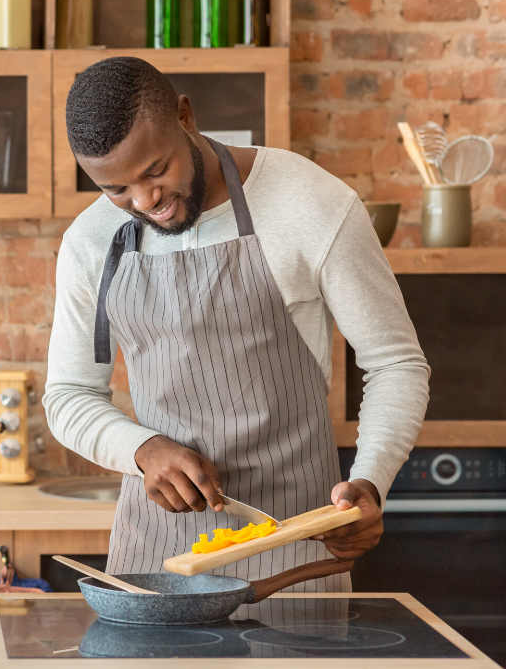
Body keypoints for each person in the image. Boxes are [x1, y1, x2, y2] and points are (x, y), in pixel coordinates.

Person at [44, 57, 429, 589]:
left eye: (156, 171)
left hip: (298, 547)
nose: (144, 202)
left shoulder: (310, 202)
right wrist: (142, 450)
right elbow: (68, 395)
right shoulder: (90, 241)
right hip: (155, 562)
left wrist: (369, 481)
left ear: (186, 116)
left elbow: (396, 365)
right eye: (117, 190)